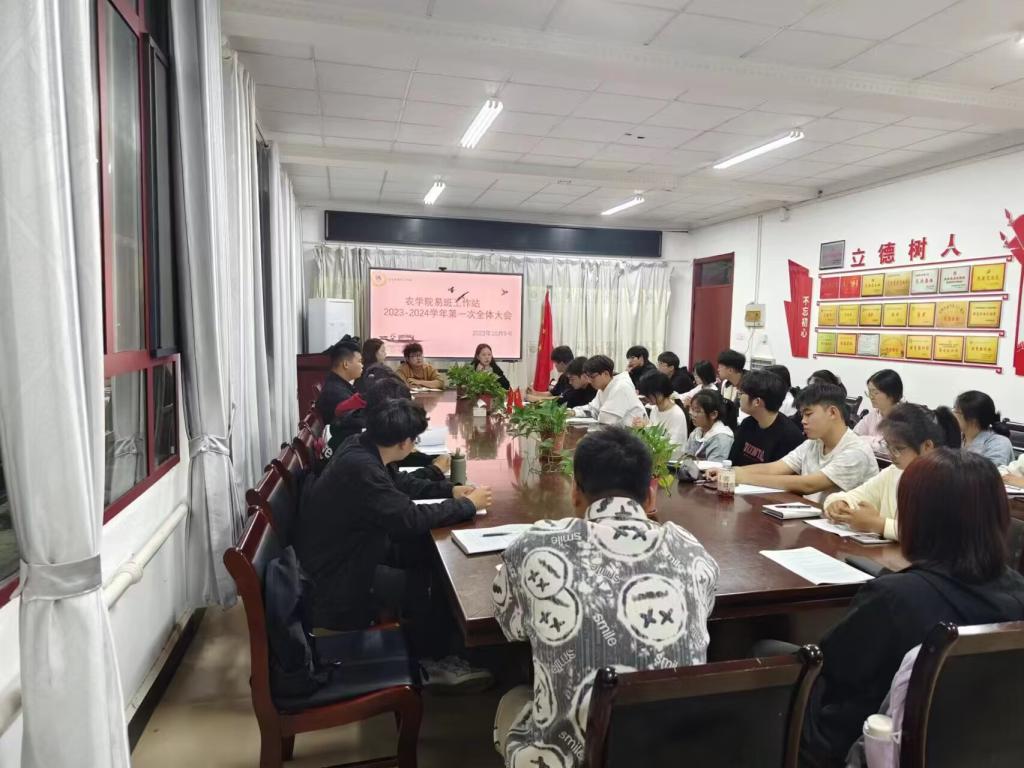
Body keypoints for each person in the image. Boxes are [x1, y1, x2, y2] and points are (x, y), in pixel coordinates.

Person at [491, 426, 719, 768]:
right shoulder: (691, 550)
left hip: (570, 759)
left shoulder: (534, 546)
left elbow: (513, 628)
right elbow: (704, 611)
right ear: (651, 497)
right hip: (671, 752)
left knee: (513, 698)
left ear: (575, 493)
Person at [798, 449, 1024, 766]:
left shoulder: (893, 599)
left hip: (863, 746)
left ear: (917, 516)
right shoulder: (1018, 591)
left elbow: (828, 668)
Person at [294, 398, 494, 688]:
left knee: (425, 555)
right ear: (404, 442)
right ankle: (433, 663)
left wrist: (449, 490)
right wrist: (468, 506)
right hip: (338, 579)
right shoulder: (361, 468)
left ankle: (449, 645)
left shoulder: (360, 446)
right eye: (415, 439)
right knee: (427, 584)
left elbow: (398, 485)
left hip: (349, 552)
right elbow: (408, 518)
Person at [708, 383, 877, 503]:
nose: (803, 421)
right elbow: (776, 468)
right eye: (802, 415)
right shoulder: (814, 443)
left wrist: (744, 476)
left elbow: (809, 484)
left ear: (832, 412)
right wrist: (730, 471)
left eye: (808, 414)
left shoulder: (855, 452)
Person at [823, 403, 960, 541]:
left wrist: (879, 524)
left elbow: (932, 535)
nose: (891, 455)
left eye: (898, 448)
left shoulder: (947, 483)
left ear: (927, 446)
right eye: (887, 446)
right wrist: (840, 503)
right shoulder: (894, 472)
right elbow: (853, 496)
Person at [728, 369, 805, 467]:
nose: (738, 397)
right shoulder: (747, 423)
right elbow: (731, 462)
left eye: (741, 393)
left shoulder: (790, 437)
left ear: (757, 402)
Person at [572, 355, 645, 426]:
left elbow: (606, 419)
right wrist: (573, 412)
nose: (589, 381)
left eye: (592, 377)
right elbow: (593, 409)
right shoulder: (603, 388)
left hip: (633, 431)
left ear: (606, 373)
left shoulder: (621, 387)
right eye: (588, 377)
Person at [637, 371, 689, 460]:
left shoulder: (677, 415)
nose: (646, 397)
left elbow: (673, 448)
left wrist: (645, 429)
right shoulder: (655, 410)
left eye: (648, 394)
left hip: (671, 461)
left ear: (659, 392)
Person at [954, 390, 1014, 466]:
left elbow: (990, 472)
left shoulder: (999, 443)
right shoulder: (957, 437)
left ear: (973, 419)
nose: (953, 415)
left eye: (956, 412)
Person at [315, 337, 363, 427]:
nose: (362, 365)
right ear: (346, 364)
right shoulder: (336, 393)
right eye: (359, 361)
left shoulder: (336, 385)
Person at [853, 369, 903, 451]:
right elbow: (853, 437)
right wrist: (875, 441)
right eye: (869, 392)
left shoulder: (904, 418)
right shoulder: (873, 415)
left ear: (891, 394)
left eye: (875, 393)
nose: (871, 397)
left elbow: (887, 448)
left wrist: (865, 440)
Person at [683, 389, 735, 462]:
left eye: (697, 411)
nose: (691, 413)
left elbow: (714, 467)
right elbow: (686, 457)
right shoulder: (697, 430)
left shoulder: (721, 439)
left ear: (713, 414)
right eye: (692, 409)